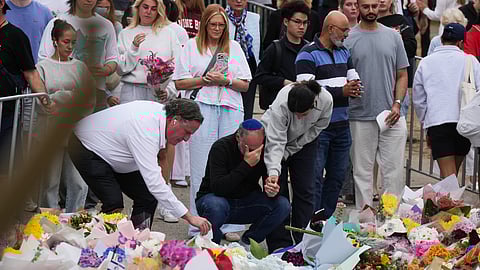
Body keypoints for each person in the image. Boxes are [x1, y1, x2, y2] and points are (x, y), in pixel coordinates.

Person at [68, 98, 212, 232]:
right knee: (114, 202)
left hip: (114, 150)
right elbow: (154, 182)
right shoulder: (146, 131)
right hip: (85, 146)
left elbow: (156, 179)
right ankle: (94, 243)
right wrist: (189, 217)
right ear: (175, 120)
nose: (187, 139)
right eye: (187, 132)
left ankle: (139, 241)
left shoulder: (163, 117)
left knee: (147, 196)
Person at [174, 4, 251, 238]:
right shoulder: (190, 47)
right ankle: (199, 223)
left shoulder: (235, 48)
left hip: (230, 107)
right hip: (202, 107)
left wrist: (225, 80)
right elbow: (179, 82)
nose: (217, 28)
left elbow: (245, 84)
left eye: (221, 25)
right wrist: (205, 81)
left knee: (231, 163)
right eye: (213, 24)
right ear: (205, 24)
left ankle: (231, 224)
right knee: (201, 166)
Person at [344, 0, 409, 209]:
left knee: (394, 170)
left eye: (374, 6)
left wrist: (397, 104)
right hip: (359, 115)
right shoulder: (349, 39)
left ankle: (391, 218)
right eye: (366, 6)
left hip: (392, 114)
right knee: (362, 172)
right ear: (358, 7)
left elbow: (402, 74)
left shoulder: (393, 36)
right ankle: (366, 221)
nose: (371, 10)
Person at [296, 11, 360, 219]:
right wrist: (341, 92)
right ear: (330, 29)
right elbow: (306, 92)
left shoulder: (344, 52)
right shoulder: (307, 54)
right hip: (318, 128)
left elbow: (353, 78)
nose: (347, 34)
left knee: (337, 177)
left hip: (342, 126)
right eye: (344, 30)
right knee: (313, 178)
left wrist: (355, 87)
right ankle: (310, 222)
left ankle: (326, 220)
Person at [196, 119, 290, 248]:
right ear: (238, 138)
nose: (253, 152)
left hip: (246, 201)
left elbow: (270, 182)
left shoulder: (265, 149)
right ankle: (211, 246)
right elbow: (218, 188)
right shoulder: (222, 147)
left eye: (258, 147)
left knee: (282, 205)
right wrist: (246, 165)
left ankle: (247, 242)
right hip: (216, 199)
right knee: (216, 205)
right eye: (249, 147)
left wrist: (271, 189)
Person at [262, 80, 333, 253]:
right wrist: (273, 171)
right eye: (295, 114)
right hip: (274, 137)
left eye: (303, 114)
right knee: (277, 192)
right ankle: (280, 244)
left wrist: (293, 148)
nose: (299, 117)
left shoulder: (326, 101)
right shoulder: (282, 103)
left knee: (306, 190)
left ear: (313, 104)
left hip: (305, 142)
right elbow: (276, 141)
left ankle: (306, 241)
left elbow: (318, 128)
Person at [35, 19, 91, 213]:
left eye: (73, 42)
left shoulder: (80, 67)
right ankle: (48, 221)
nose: (70, 46)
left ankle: (75, 218)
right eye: (66, 41)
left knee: (78, 182)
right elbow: (40, 100)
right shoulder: (42, 67)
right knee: (50, 182)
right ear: (55, 41)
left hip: (75, 131)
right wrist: (62, 98)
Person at [413, 23, 480, 178]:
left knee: (448, 176)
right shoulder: (470, 61)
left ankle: (449, 200)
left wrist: (425, 123)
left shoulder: (426, 62)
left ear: (441, 39)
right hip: (464, 122)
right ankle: (450, 200)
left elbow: (419, 98)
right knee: (452, 175)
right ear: (461, 42)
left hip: (438, 122)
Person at [38, 0, 119, 112]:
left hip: (96, 93)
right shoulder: (57, 22)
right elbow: (44, 58)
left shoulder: (106, 25)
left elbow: (113, 58)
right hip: (62, 94)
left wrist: (105, 69)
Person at [0, 0, 52, 175]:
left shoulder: (15, 35)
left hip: (6, 111)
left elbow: (31, 73)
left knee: (7, 163)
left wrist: (46, 101)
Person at [117, 0, 180, 104]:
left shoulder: (169, 34)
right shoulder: (125, 33)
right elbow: (121, 69)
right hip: (132, 91)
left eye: (153, 9)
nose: (148, 11)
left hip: (159, 93)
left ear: (158, 11)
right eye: (145, 7)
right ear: (137, 8)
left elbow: (177, 66)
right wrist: (133, 48)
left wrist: (169, 90)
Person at [255, 0, 310, 110]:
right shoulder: (275, 48)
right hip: (278, 106)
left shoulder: (309, 49)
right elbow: (260, 77)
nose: (301, 26)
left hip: (303, 107)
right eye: (297, 22)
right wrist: (283, 82)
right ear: (286, 21)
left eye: (305, 23)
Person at [226, 0, 260, 120]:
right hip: (227, 69)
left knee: (247, 112)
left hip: (249, 68)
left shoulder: (254, 18)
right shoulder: (221, 17)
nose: (239, 1)